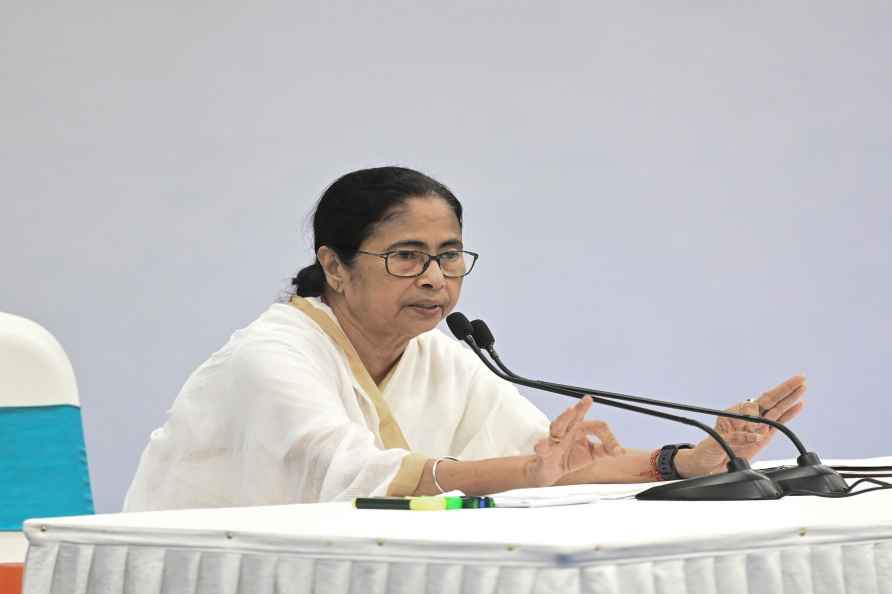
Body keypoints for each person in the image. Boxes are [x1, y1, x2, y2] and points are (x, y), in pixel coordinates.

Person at [123, 166, 806, 511]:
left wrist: (692, 457)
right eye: (406, 256)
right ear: (333, 264)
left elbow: (546, 466)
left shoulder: (439, 355)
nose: (435, 279)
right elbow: (357, 478)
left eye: (449, 256)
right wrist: (526, 475)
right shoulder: (272, 356)